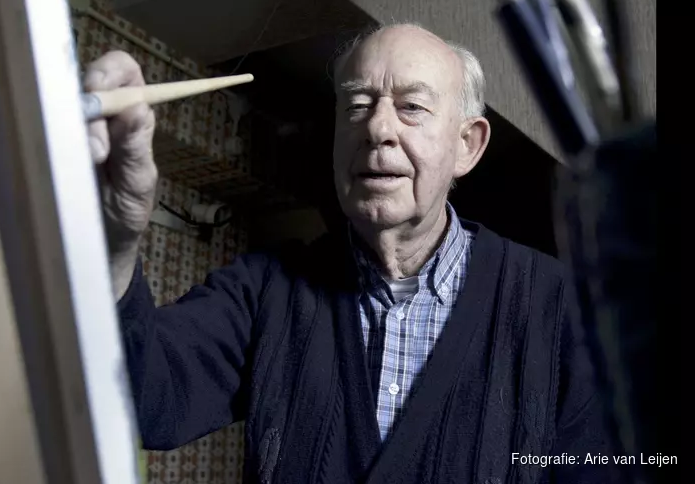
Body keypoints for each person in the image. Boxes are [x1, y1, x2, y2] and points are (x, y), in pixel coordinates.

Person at [85, 24, 624, 483]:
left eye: (411, 107)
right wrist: (116, 237)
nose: (378, 128)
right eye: (358, 105)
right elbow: (144, 401)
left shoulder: (564, 309)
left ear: (467, 145)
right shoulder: (265, 291)